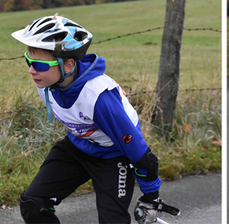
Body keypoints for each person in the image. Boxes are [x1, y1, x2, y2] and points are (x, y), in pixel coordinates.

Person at [12, 14, 165, 223]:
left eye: (39, 65)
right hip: (76, 148)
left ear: (67, 65)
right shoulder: (47, 84)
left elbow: (139, 151)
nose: (31, 71)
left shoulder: (98, 97)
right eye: (28, 61)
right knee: (33, 204)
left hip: (114, 156)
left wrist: (151, 197)